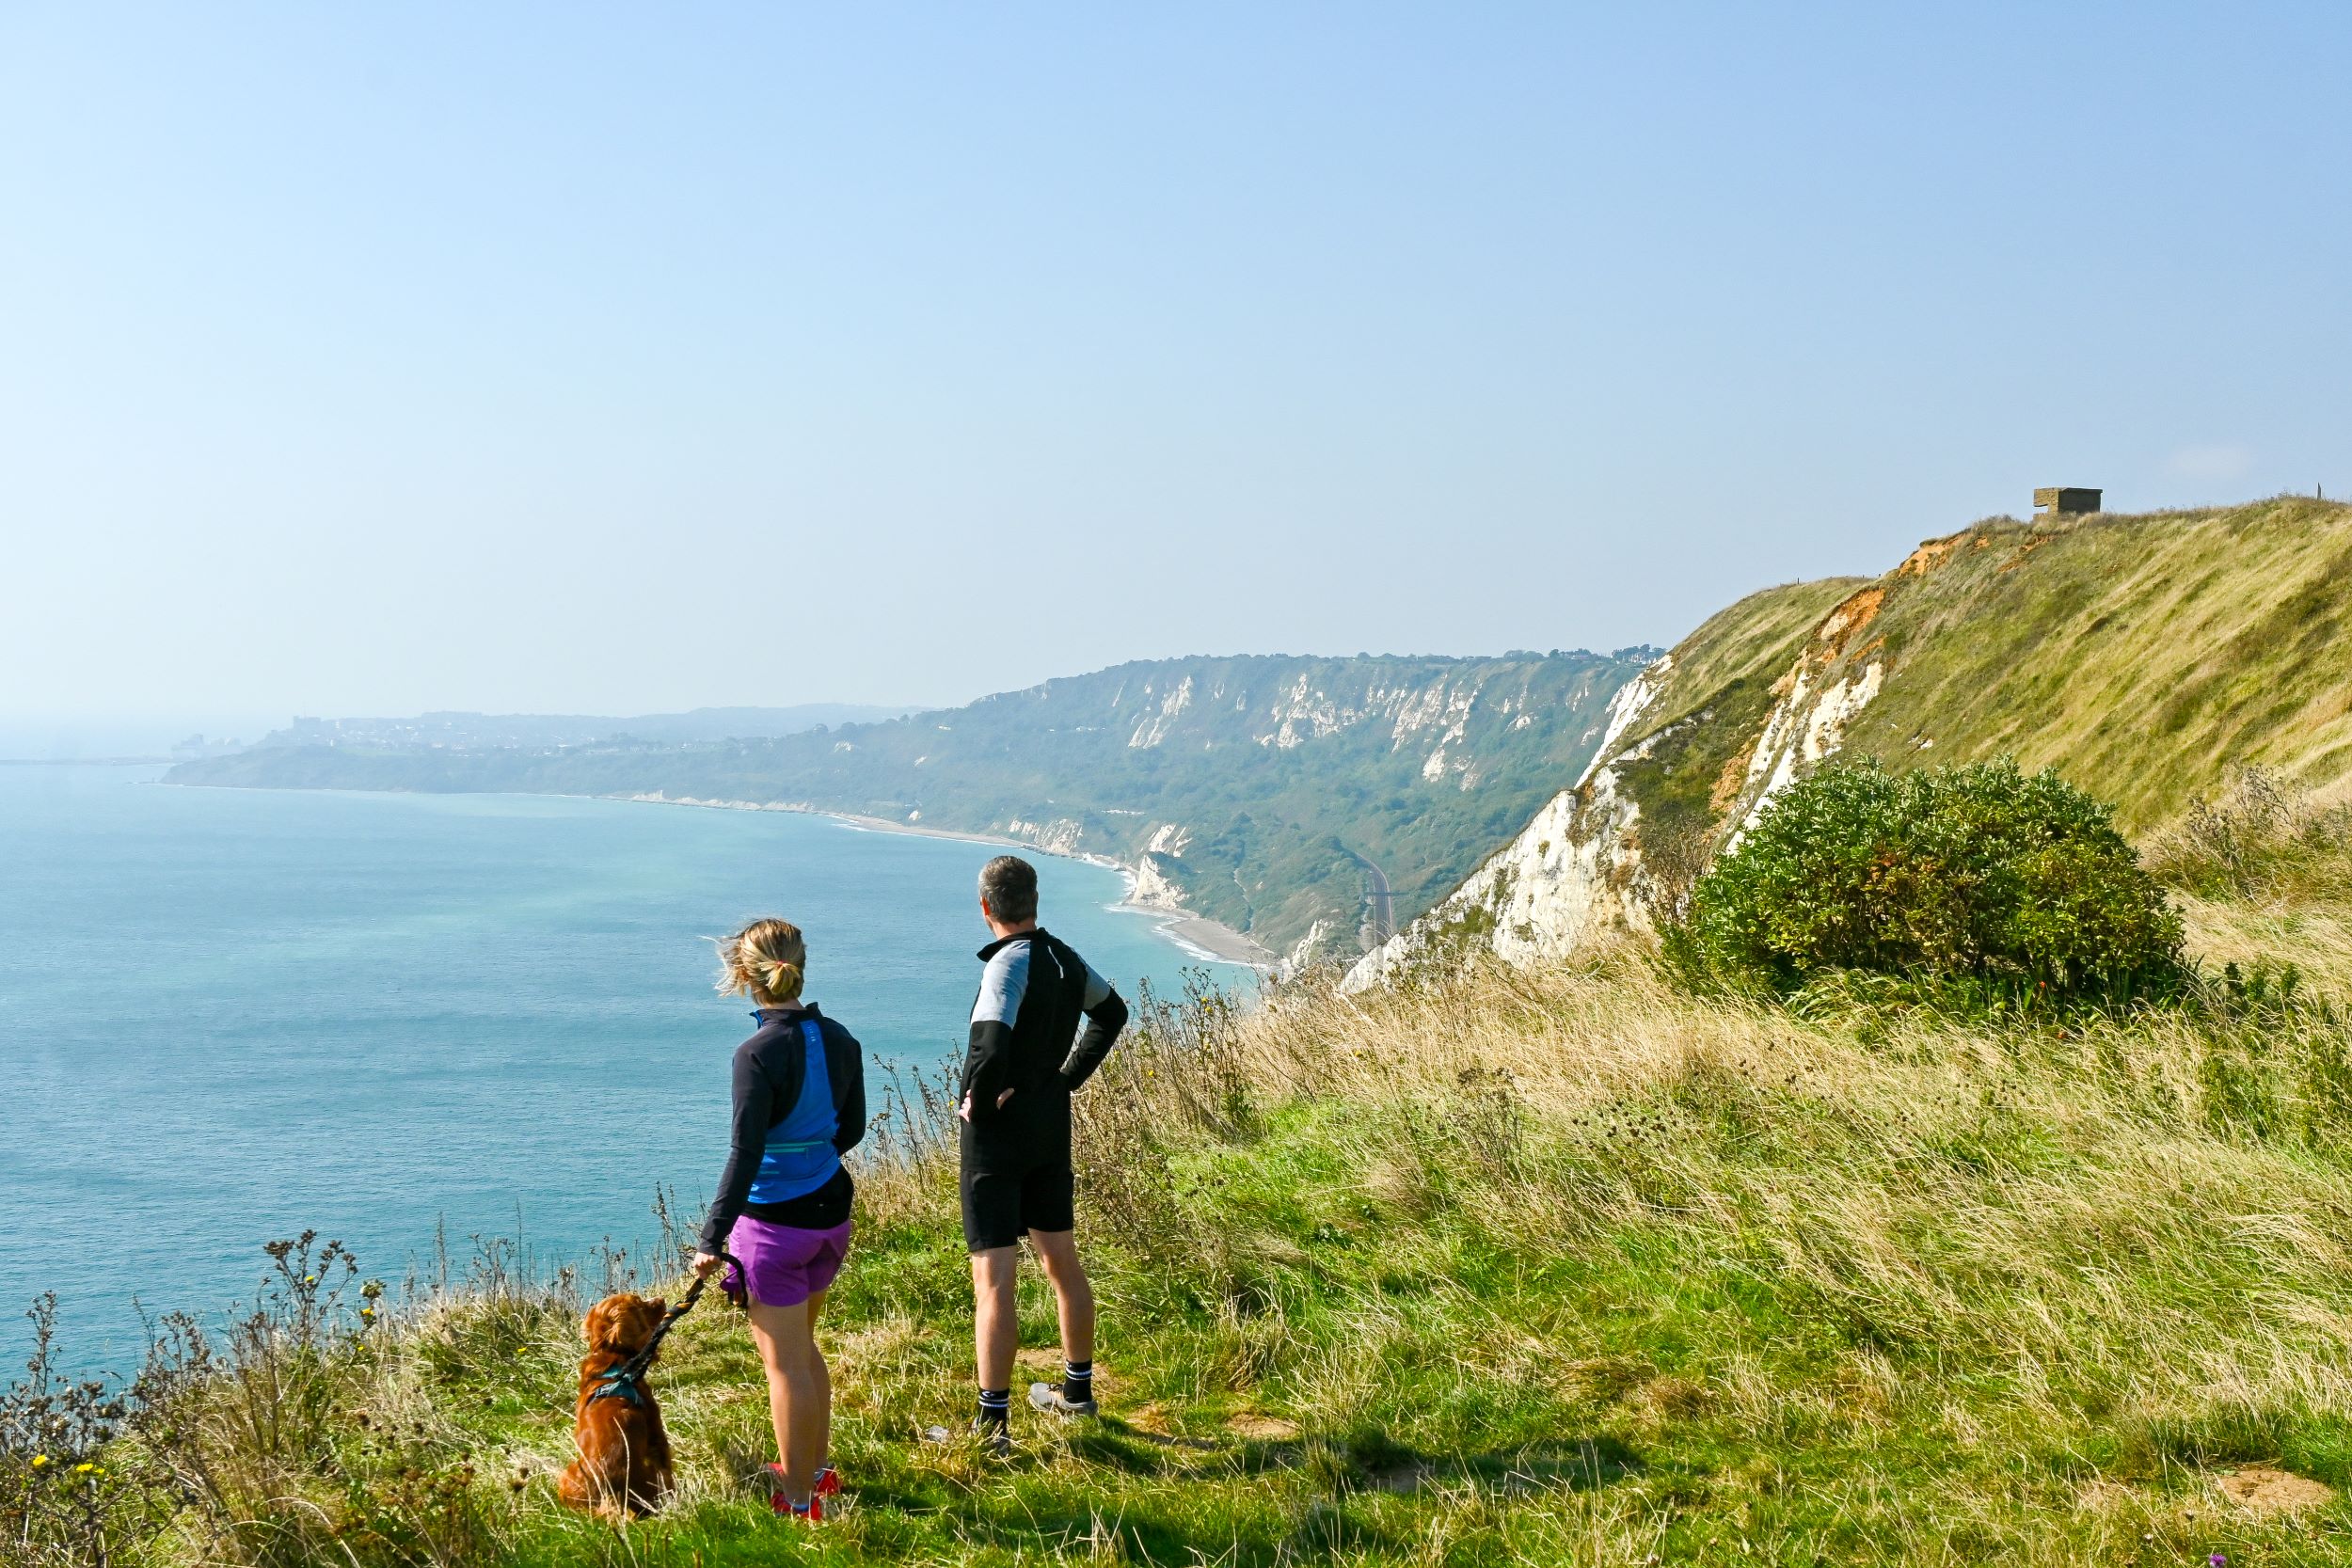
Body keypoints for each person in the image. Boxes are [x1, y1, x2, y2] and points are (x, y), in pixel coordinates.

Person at [692, 918, 866, 1523]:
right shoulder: (841, 1037)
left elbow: (744, 1152)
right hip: (830, 1212)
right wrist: (808, 1157)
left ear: (744, 975)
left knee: (784, 1363)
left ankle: (797, 1501)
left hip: (774, 1228)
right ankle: (816, 1473)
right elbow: (852, 1131)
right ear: (801, 964)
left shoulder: (755, 1052)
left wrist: (712, 1238)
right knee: (803, 1348)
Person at [958, 854, 1130, 1451]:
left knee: (995, 1280)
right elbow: (1112, 1014)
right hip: (1050, 1129)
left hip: (998, 1140)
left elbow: (988, 1045)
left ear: (986, 908)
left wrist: (975, 1104)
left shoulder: (1006, 965)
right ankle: (1077, 1395)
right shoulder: (1064, 958)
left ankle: (992, 1426)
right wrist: (1064, 1079)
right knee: (1062, 1263)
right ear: (1033, 901)